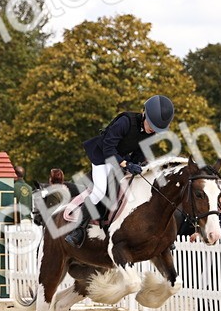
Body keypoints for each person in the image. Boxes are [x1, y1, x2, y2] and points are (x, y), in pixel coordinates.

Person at [65, 94, 175, 247]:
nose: (153, 130)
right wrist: (126, 165)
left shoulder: (151, 132)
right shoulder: (125, 122)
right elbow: (108, 148)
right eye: (152, 125)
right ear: (144, 113)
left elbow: (140, 152)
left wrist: (141, 166)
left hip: (121, 158)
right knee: (100, 191)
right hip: (102, 157)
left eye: (156, 128)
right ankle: (78, 230)